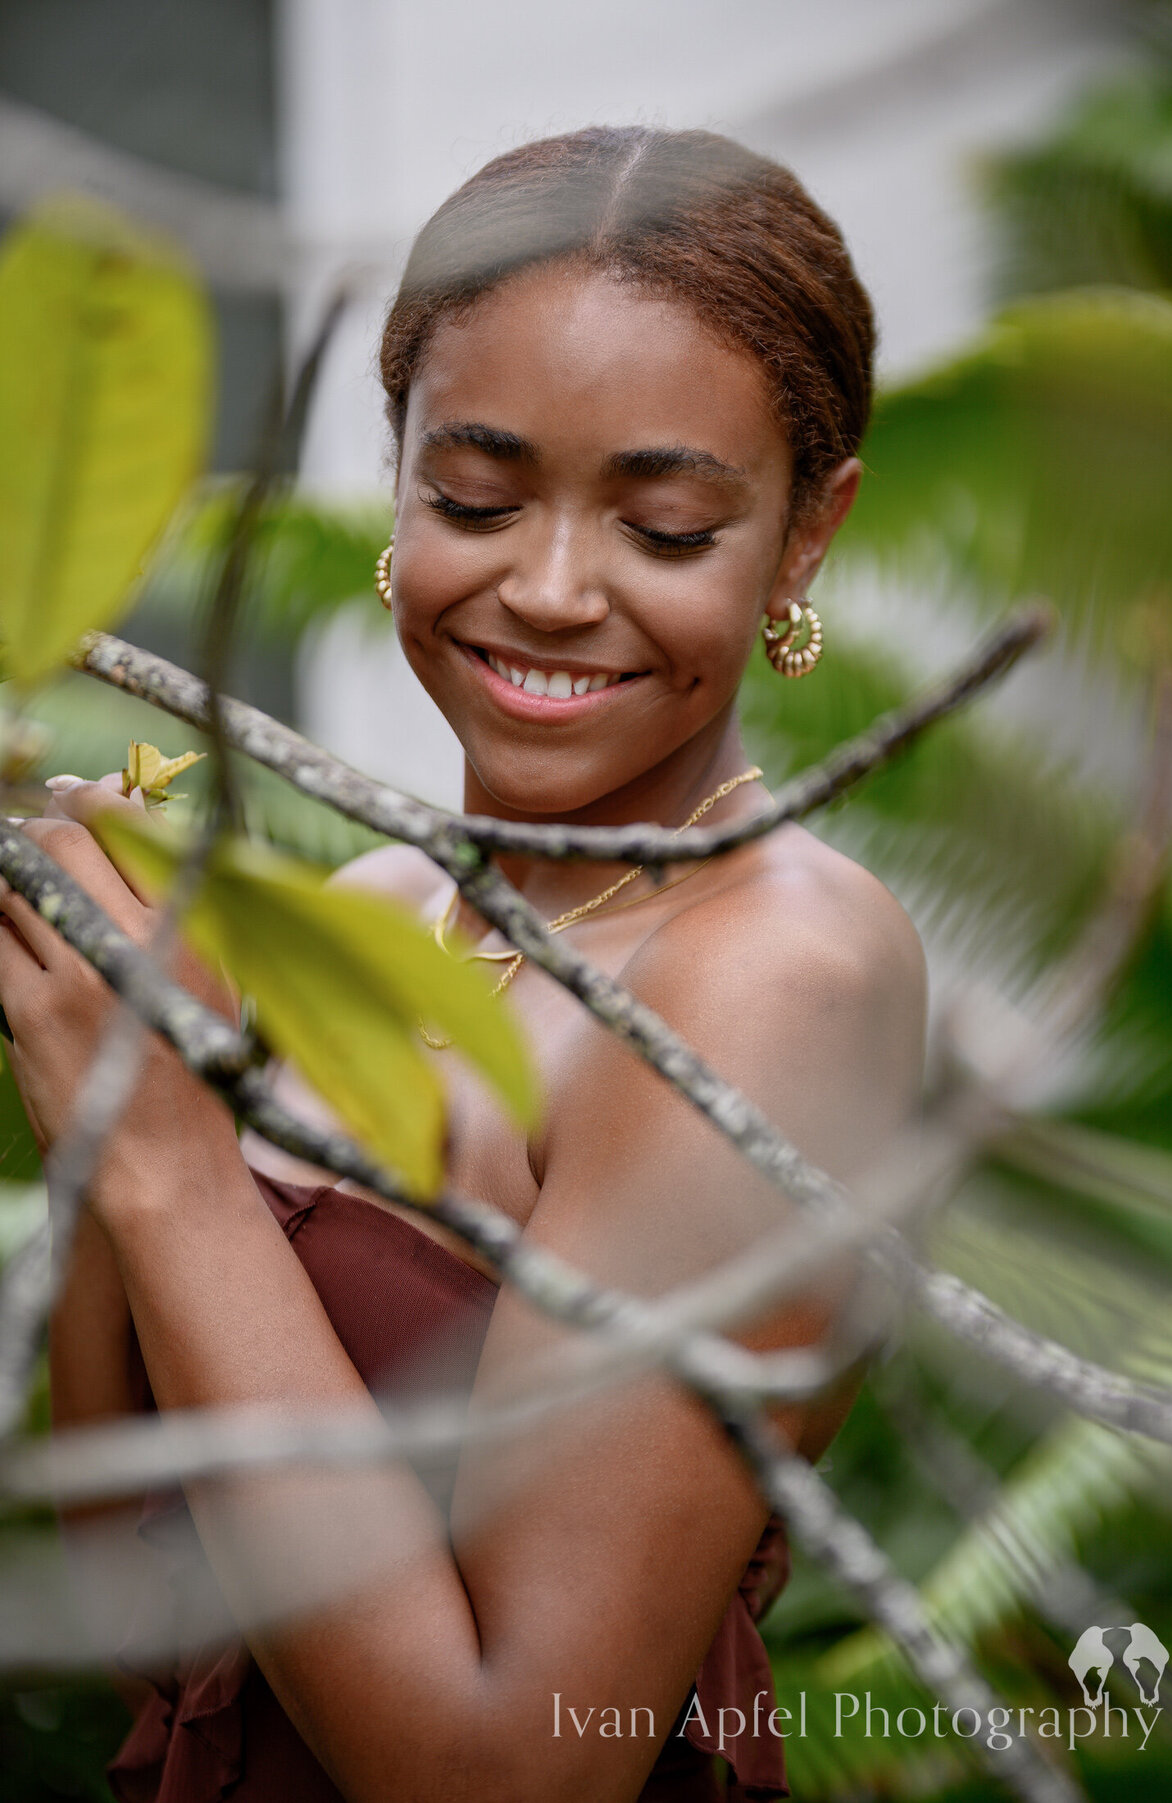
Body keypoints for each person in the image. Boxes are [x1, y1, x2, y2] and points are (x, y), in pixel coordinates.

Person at [0, 127, 927, 1801]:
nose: (551, 589)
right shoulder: (372, 918)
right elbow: (139, 1588)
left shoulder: (779, 969)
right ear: (402, 472)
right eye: (477, 500)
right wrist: (103, 1071)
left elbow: (506, 1772)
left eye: (663, 528)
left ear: (803, 538)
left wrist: (176, 1164)